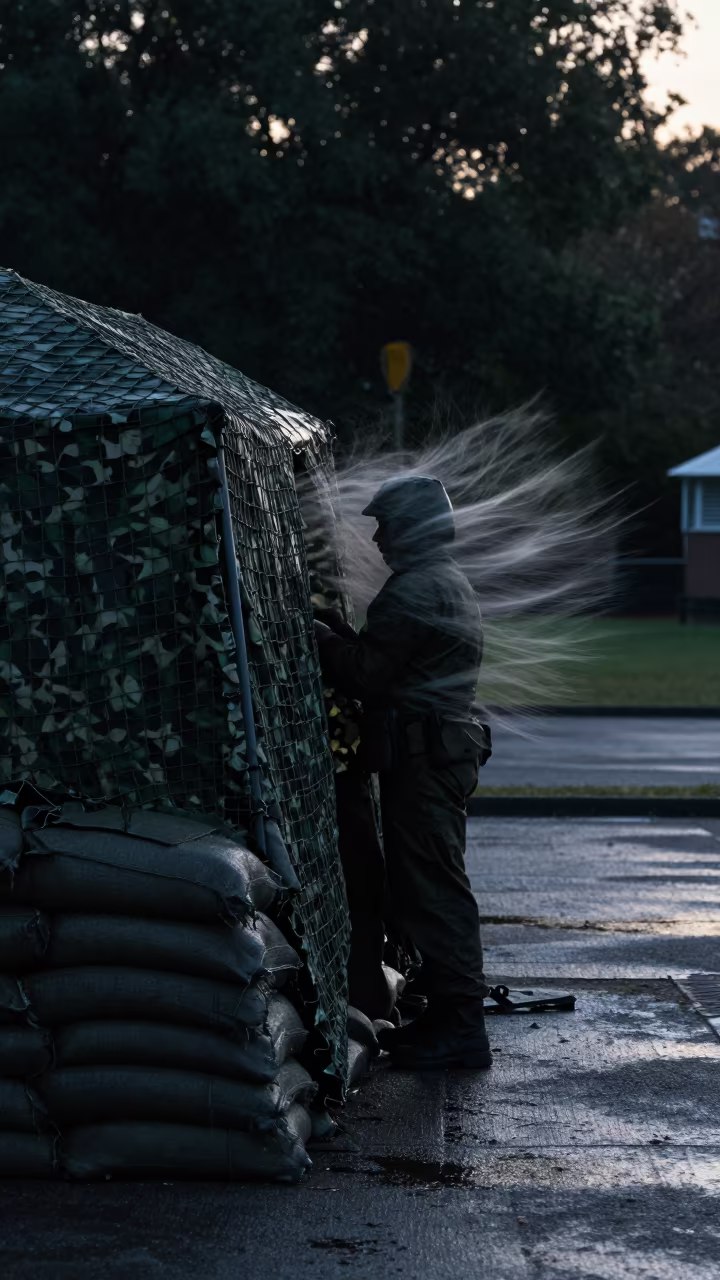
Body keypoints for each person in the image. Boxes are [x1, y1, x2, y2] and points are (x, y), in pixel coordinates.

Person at [314, 475, 492, 1070]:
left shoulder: (414, 590)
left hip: (423, 760)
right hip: (432, 755)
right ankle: (447, 1017)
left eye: (387, 525)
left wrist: (322, 642)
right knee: (426, 886)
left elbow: (370, 674)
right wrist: (343, 638)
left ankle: (462, 1028)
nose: (380, 537)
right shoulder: (440, 581)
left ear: (415, 527)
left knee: (434, 890)